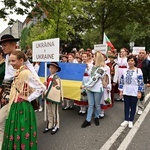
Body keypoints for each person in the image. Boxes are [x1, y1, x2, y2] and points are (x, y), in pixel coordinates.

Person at [0, 34, 39, 149]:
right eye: (2, 45)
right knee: (6, 125)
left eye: (5, 45)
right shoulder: (8, 57)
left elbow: (36, 80)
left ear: (13, 45)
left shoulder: (21, 59)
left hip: (16, 98)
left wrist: (28, 97)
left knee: (5, 123)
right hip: (7, 95)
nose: (3, 47)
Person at [81, 52, 105, 128]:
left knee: (97, 105)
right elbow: (89, 74)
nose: (92, 57)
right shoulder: (93, 66)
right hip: (90, 88)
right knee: (90, 104)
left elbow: (94, 78)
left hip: (97, 89)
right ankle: (88, 120)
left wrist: (85, 85)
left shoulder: (102, 69)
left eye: (94, 56)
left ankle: (96, 117)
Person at [119, 55, 144, 128]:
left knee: (133, 106)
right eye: (129, 60)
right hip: (126, 90)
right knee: (126, 106)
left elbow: (140, 81)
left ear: (135, 62)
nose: (130, 62)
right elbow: (122, 81)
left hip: (134, 91)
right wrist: (121, 90)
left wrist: (139, 92)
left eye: (132, 60)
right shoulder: (125, 71)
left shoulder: (138, 70)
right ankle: (126, 119)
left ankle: (131, 120)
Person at [43, 62, 63, 134]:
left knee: (54, 111)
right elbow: (48, 86)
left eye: (53, 68)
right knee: (49, 111)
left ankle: (56, 125)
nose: (51, 69)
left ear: (56, 69)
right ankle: (50, 125)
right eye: (50, 67)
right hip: (48, 96)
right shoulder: (48, 77)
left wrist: (48, 93)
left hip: (52, 97)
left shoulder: (56, 78)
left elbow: (56, 89)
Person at [137, 49, 150, 114]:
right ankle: (134, 107)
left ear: (145, 55)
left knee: (142, 95)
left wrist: (148, 82)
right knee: (134, 95)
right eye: (140, 53)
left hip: (143, 81)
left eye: (142, 53)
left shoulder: (148, 62)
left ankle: (141, 107)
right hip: (135, 81)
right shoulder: (135, 61)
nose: (141, 54)